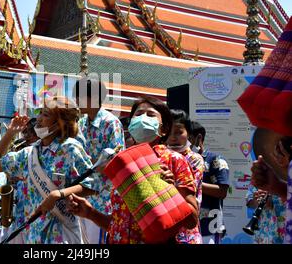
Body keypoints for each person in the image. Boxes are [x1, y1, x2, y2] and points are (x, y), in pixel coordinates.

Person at [68, 95, 199, 244]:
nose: (143, 118)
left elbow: (191, 221)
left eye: (150, 115)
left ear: (163, 129)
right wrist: (90, 213)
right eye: (138, 114)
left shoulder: (174, 161)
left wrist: (170, 191)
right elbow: (119, 226)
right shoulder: (121, 165)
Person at [0, 96, 96, 244]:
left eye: (45, 114)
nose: (38, 119)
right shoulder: (29, 153)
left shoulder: (70, 149)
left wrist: (59, 194)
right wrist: (10, 133)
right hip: (32, 235)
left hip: (61, 233)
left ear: (59, 124)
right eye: (40, 113)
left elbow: (92, 186)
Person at [73, 76, 125, 244]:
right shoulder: (80, 123)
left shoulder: (111, 123)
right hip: (81, 197)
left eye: (80, 96)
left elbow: (116, 163)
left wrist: (94, 165)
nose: (76, 100)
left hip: (102, 200)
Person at [167, 110, 204, 244]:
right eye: (169, 132)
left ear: (188, 133)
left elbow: (186, 189)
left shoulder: (194, 159)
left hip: (186, 229)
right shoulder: (159, 155)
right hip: (164, 226)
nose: (173, 137)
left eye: (178, 132)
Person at [189, 121, 229, 244]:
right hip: (187, 228)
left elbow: (222, 192)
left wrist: (194, 183)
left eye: (188, 138)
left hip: (210, 228)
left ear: (199, 138)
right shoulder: (180, 159)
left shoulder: (216, 160)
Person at [8, 118, 39, 244]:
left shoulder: (34, 151)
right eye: (24, 132)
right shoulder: (23, 151)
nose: (25, 136)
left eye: (27, 132)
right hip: (20, 209)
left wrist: (22, 177)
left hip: (32, 211)